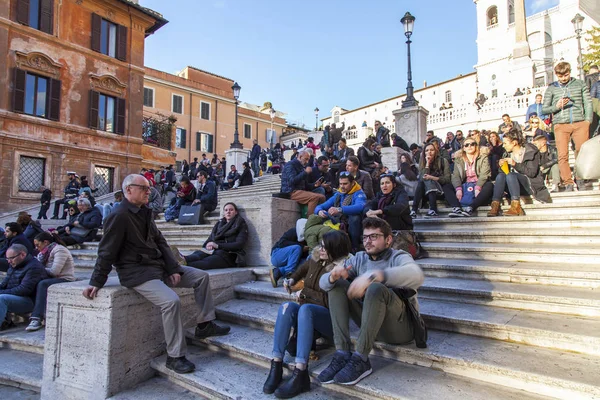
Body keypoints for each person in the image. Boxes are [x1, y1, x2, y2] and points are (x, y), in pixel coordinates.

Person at [83, 174, 230, 374]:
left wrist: (173, 268)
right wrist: (96, 281)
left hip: (158, 267)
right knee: (171, 301)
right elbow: (106, 252)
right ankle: (175, 356)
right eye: (144, 188)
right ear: (128, 190)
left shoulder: (144, 212)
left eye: (149, 188)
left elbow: (160, 241)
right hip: (137, 273)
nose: (149, 191)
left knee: (201, 277)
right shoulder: (117, 216)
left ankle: (205, 324)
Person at [317, 218, 424, 385]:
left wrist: (376, 275)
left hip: (401, 329)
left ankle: (361, 359)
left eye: (374, 236)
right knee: (336, 284)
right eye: (365, 237)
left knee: (375, 288)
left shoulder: (399, 256)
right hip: (371, 324)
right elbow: (323, 285)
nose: (367, 241)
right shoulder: (359, 258)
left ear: (388, 239)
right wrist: (332, 275)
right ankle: (342, 354)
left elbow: (416, 274)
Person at [263, 231, 352, 398]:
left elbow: (327, 300)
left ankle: (300, 371)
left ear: (335, 248)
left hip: (330, 321)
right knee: (286, 307)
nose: (321, 249)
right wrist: (291, 279)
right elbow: (301, 270)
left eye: (325, 246)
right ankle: (276, 364)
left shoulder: (340, 269)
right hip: (308, 314)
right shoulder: (316, 257)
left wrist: (304, 292)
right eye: (321, 245)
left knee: (305, 308)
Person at [542, 61, 593, 191]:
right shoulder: (551, 88)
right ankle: (568, 182)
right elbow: (544, 109)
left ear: (570, 72)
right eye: (560, 76)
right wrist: (556, 106)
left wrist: (588, 121)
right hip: (560, 124)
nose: (564, 78)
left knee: (580, 152)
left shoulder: (580, 84)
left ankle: (580, 178)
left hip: (579, 122)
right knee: (562, 155)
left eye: (566, 75)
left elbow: (588, 103)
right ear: (556, 75)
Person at [488, 129, 551, 217]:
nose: (503, 146)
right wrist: (501, 166)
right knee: (500, 176)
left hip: (530, 184)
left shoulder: (530, 152)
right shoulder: (507, 154)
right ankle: (495, 206)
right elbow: (504, 175)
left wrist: (515, 164)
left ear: (514, 143)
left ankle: (516, 206)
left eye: (505, 143)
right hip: (513, 185)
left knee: (510, 175)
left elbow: (532, 173)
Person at [25, 232, 76, 331]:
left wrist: (38, 268)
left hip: (64, 278)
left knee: (42, 284)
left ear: (45, 242)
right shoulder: (43, 253)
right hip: (50, 277)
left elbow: (54, 271)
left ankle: (36, 318)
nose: (36, 248)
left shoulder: (60, 250)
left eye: (37, 245)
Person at [173, 202, 248, 270]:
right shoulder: (219, 223)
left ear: (236, 212)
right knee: (197, 255)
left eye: (231, 210)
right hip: (214, 250)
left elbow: (239, 245)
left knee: (206, 262)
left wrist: (217, 245)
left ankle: (180, 266)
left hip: (229, 255)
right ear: (224, 213)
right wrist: (207, 245)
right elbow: (210, 238)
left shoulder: (240, 225)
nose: (228, 212)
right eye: (226, 210)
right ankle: (180, 259)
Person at [315, 172, 367, 252]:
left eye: (345, 184)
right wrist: (319, 211)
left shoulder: (358, 193)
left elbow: (360, 207)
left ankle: (354, 247)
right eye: (341, 184)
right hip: (338, 220)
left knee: (354, 218)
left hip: (350, 223)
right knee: (316, 216)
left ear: (353, 183)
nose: (342, 186)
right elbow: (321, 206)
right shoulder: (338, 194)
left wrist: (340, 209)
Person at [0, 244, 46, 331]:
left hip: (28, 300)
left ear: (22, 254)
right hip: (14, 296)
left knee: (2, 299)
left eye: (11, 258)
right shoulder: (14, 265)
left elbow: (23, 290)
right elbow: (4, 284)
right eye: (7, 258)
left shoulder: (34, 267)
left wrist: (2, 292)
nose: (9, 261)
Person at [449, 138, 493, 217]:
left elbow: (484, 174)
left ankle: (471, 208)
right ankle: (457, 208)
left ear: (476, 146)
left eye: (472, 144)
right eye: (466, 145)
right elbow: (456, 176)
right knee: (447, 186)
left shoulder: (483, 157)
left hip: (479, 183)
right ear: (464, 148)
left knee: (489, 185)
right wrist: (458, 189)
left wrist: (478, 187)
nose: (469, 146)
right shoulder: (459, 160)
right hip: (465, 184)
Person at [410, 143, 452, 218]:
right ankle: (414, 210)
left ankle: (432, 209)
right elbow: (421, 178)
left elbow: (447, 179)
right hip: (426, 193)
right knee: (421, 182)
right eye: (427, 150)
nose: (429, 152)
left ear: (435, 151)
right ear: (424, 153)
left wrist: (432, 177)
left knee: (429, 180)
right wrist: (427, 164)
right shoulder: (422, 162)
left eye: (432, 150)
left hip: (440, 191)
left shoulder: (443, 161)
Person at [281, 150, 326, 215]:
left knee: (322, 197)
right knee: (314, 197)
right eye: (306, 159)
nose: (307, 162)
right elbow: (292, 181)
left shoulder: (302, 167)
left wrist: (314, 185)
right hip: (291, 191)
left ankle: (319, 217)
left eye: (308, 160)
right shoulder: (290, 164)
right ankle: (310, 221)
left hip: (301, 191)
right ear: (300, 157)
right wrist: (305, 173)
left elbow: (305, 185)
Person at [269, 219, 307, 288]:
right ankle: (289, 275)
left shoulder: (309, 237)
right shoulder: (293, 231)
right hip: (277, 256)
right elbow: (282, 243)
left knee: (306, 262)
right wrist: (302, 247)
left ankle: (279, 271)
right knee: (297, 248)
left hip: (291, 261)